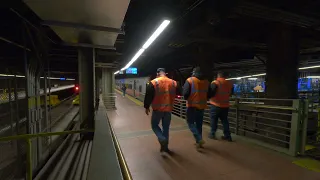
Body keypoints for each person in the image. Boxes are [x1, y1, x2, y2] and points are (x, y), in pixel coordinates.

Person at [144, 68, 178, 154]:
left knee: (154, 125)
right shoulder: (173, 82)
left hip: (157, 109)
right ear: (165, 73)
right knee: (166, 128)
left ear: (157, 74)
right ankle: (165, 148)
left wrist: (146, 107)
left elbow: (148, 95)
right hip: (169, 110)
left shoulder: (153, 82)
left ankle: (162, 139)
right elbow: (177, 94)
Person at [183, 67, 210, 150]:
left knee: (190, 123)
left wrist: (187, 98)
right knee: (199, 125)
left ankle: (199, 139)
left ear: (194, 73)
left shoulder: (190, 80)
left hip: (192, 106)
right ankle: (199, 143)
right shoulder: (206, 82)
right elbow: (209, 94)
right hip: (202, 106)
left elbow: (185, 94)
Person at [208, 71, 233, 141]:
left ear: (218, 75)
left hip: (215, 105)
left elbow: (211, 93)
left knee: (214, 120)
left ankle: (212, 134)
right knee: (225, 121)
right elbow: (230, 93)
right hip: (225, 106)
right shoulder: (229, 83)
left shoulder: (215, 82)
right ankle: (228, 136)